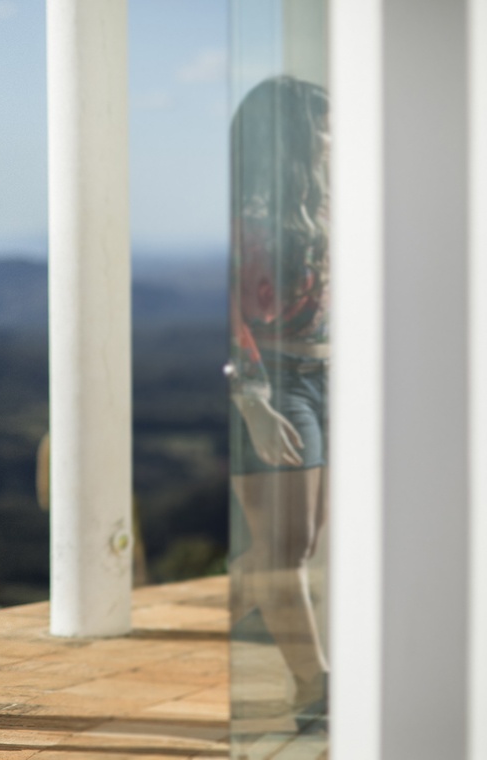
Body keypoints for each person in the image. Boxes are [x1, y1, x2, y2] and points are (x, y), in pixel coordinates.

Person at [227, 75, 330, 718]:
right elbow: (227, 315)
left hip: (332, 379)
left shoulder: (323, 202)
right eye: (324, 125)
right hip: (274, 384)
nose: (334, 138)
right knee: (286, 546)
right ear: (294, 136)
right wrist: (254, 403)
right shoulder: (249, 219)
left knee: (292, 546)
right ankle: (317, 687)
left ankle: (220, 616)